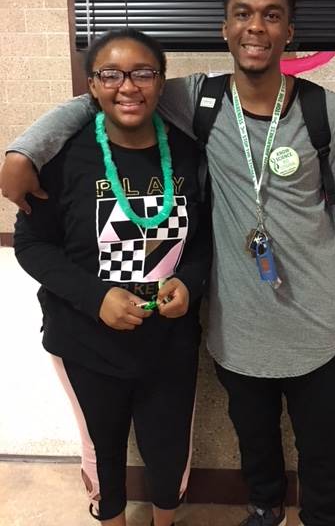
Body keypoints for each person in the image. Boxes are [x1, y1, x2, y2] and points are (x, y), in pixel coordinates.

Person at [2, 0, 335, 526]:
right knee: (255, 442)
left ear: (289, 30)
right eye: (242, 14)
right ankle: (264, 512)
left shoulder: (329, 113)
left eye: (271, 15)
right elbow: (108, 94)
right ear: (223, 28)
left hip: (319, 323)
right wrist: (24, 151)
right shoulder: (198, 99)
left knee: (321, 449)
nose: (256, 27)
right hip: (238, 324)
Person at [12, 28, 211, 526]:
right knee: (103, 449)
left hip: (170, 340)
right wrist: (95, 296)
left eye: (143, 73)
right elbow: (32, 244)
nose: (128, 86)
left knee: (168, 447)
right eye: (112, 74)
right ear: (93, 85)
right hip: (86, 341)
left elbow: (205, 240)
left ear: (161, 83)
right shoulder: (61, 158)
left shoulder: (189, 152)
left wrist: (188, 281)